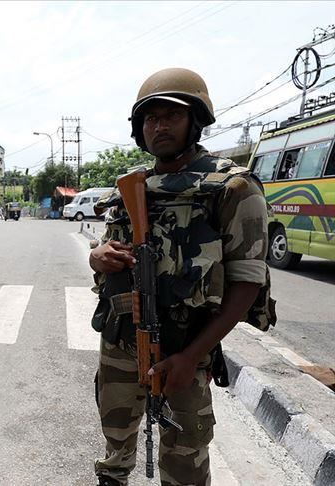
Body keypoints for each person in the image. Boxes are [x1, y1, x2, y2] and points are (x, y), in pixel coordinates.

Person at [89, 68, 273, 486]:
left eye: (172, 115)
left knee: (185, 453)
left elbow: (247, 283)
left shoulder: (233, 187)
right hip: (120, 338)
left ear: (196, 120)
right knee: (115, 435)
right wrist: (97, 257)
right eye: (151, 118)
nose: (159, 126)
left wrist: (192, 356)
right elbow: (108, 248)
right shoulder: (132, 186)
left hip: (185, 344)